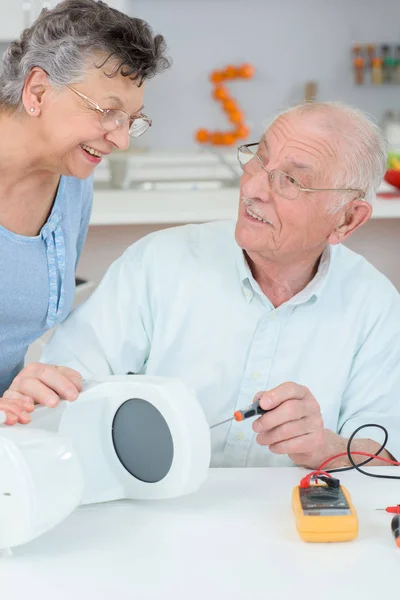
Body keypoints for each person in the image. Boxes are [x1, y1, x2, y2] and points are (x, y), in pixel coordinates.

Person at [4, 102, 400, 471]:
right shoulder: (158, 263)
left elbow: (388, 460)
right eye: (259, 160)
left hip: (298, 530)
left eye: (291, 180)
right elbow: (56, 400)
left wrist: (324, 445)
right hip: (150, 517)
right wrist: (39, 395)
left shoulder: (375, 306)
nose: (253, 189)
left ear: (348, 220)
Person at [0, 0, 169, 422]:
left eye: (132, 120)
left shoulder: (73, 181)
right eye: (108, 113)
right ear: (37, 91)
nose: (122, 139)